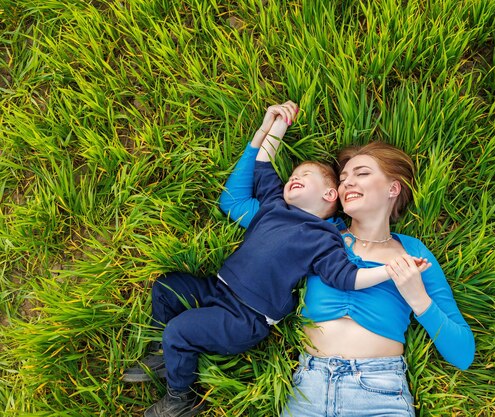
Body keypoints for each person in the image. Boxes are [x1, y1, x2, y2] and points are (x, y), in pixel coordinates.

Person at [122, 102, 417, 417]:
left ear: (330, 196)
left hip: (245, 317)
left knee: (179, 331)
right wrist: (275, 125)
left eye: (303, 175)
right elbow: (263, 163)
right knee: (167, 287)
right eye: (292, 175)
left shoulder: (326, 237)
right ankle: (162, 355)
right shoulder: (274, 205)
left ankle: (182, 400)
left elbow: (346, 277)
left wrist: (388, 271)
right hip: (217, 289)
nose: (293, 178)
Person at [220, 108, 475, 416]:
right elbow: (233, 202)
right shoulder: (310, 234)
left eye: (362, 174)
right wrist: (263, 134)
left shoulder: (412, 253)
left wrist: (419, 300)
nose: (347, 184)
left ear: (393, 188)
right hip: (310, 389)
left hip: (380, 394)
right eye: (343, 179)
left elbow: (463, 354)